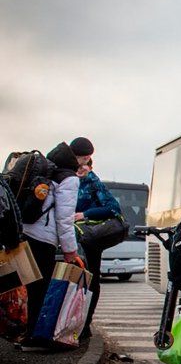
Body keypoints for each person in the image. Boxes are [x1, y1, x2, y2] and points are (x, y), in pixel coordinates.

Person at [20, 142, 81, 350]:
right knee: (42, 289)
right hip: (43, 238)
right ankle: (37, 338)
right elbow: (65, 218)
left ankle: (27, 335)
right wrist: (70, 250)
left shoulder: (45, 172)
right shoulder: (69, 178)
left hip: (25, 232)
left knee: (31, 287)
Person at [72, 138, 122, 341]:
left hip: (89, 239)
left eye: (85, 167)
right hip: (70, 238)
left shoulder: (92, 182)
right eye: (79, 166)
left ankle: (85, 324)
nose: (81, 170)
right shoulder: (66, 179)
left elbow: (113, 208)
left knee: (90, 280)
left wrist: (84, 214)